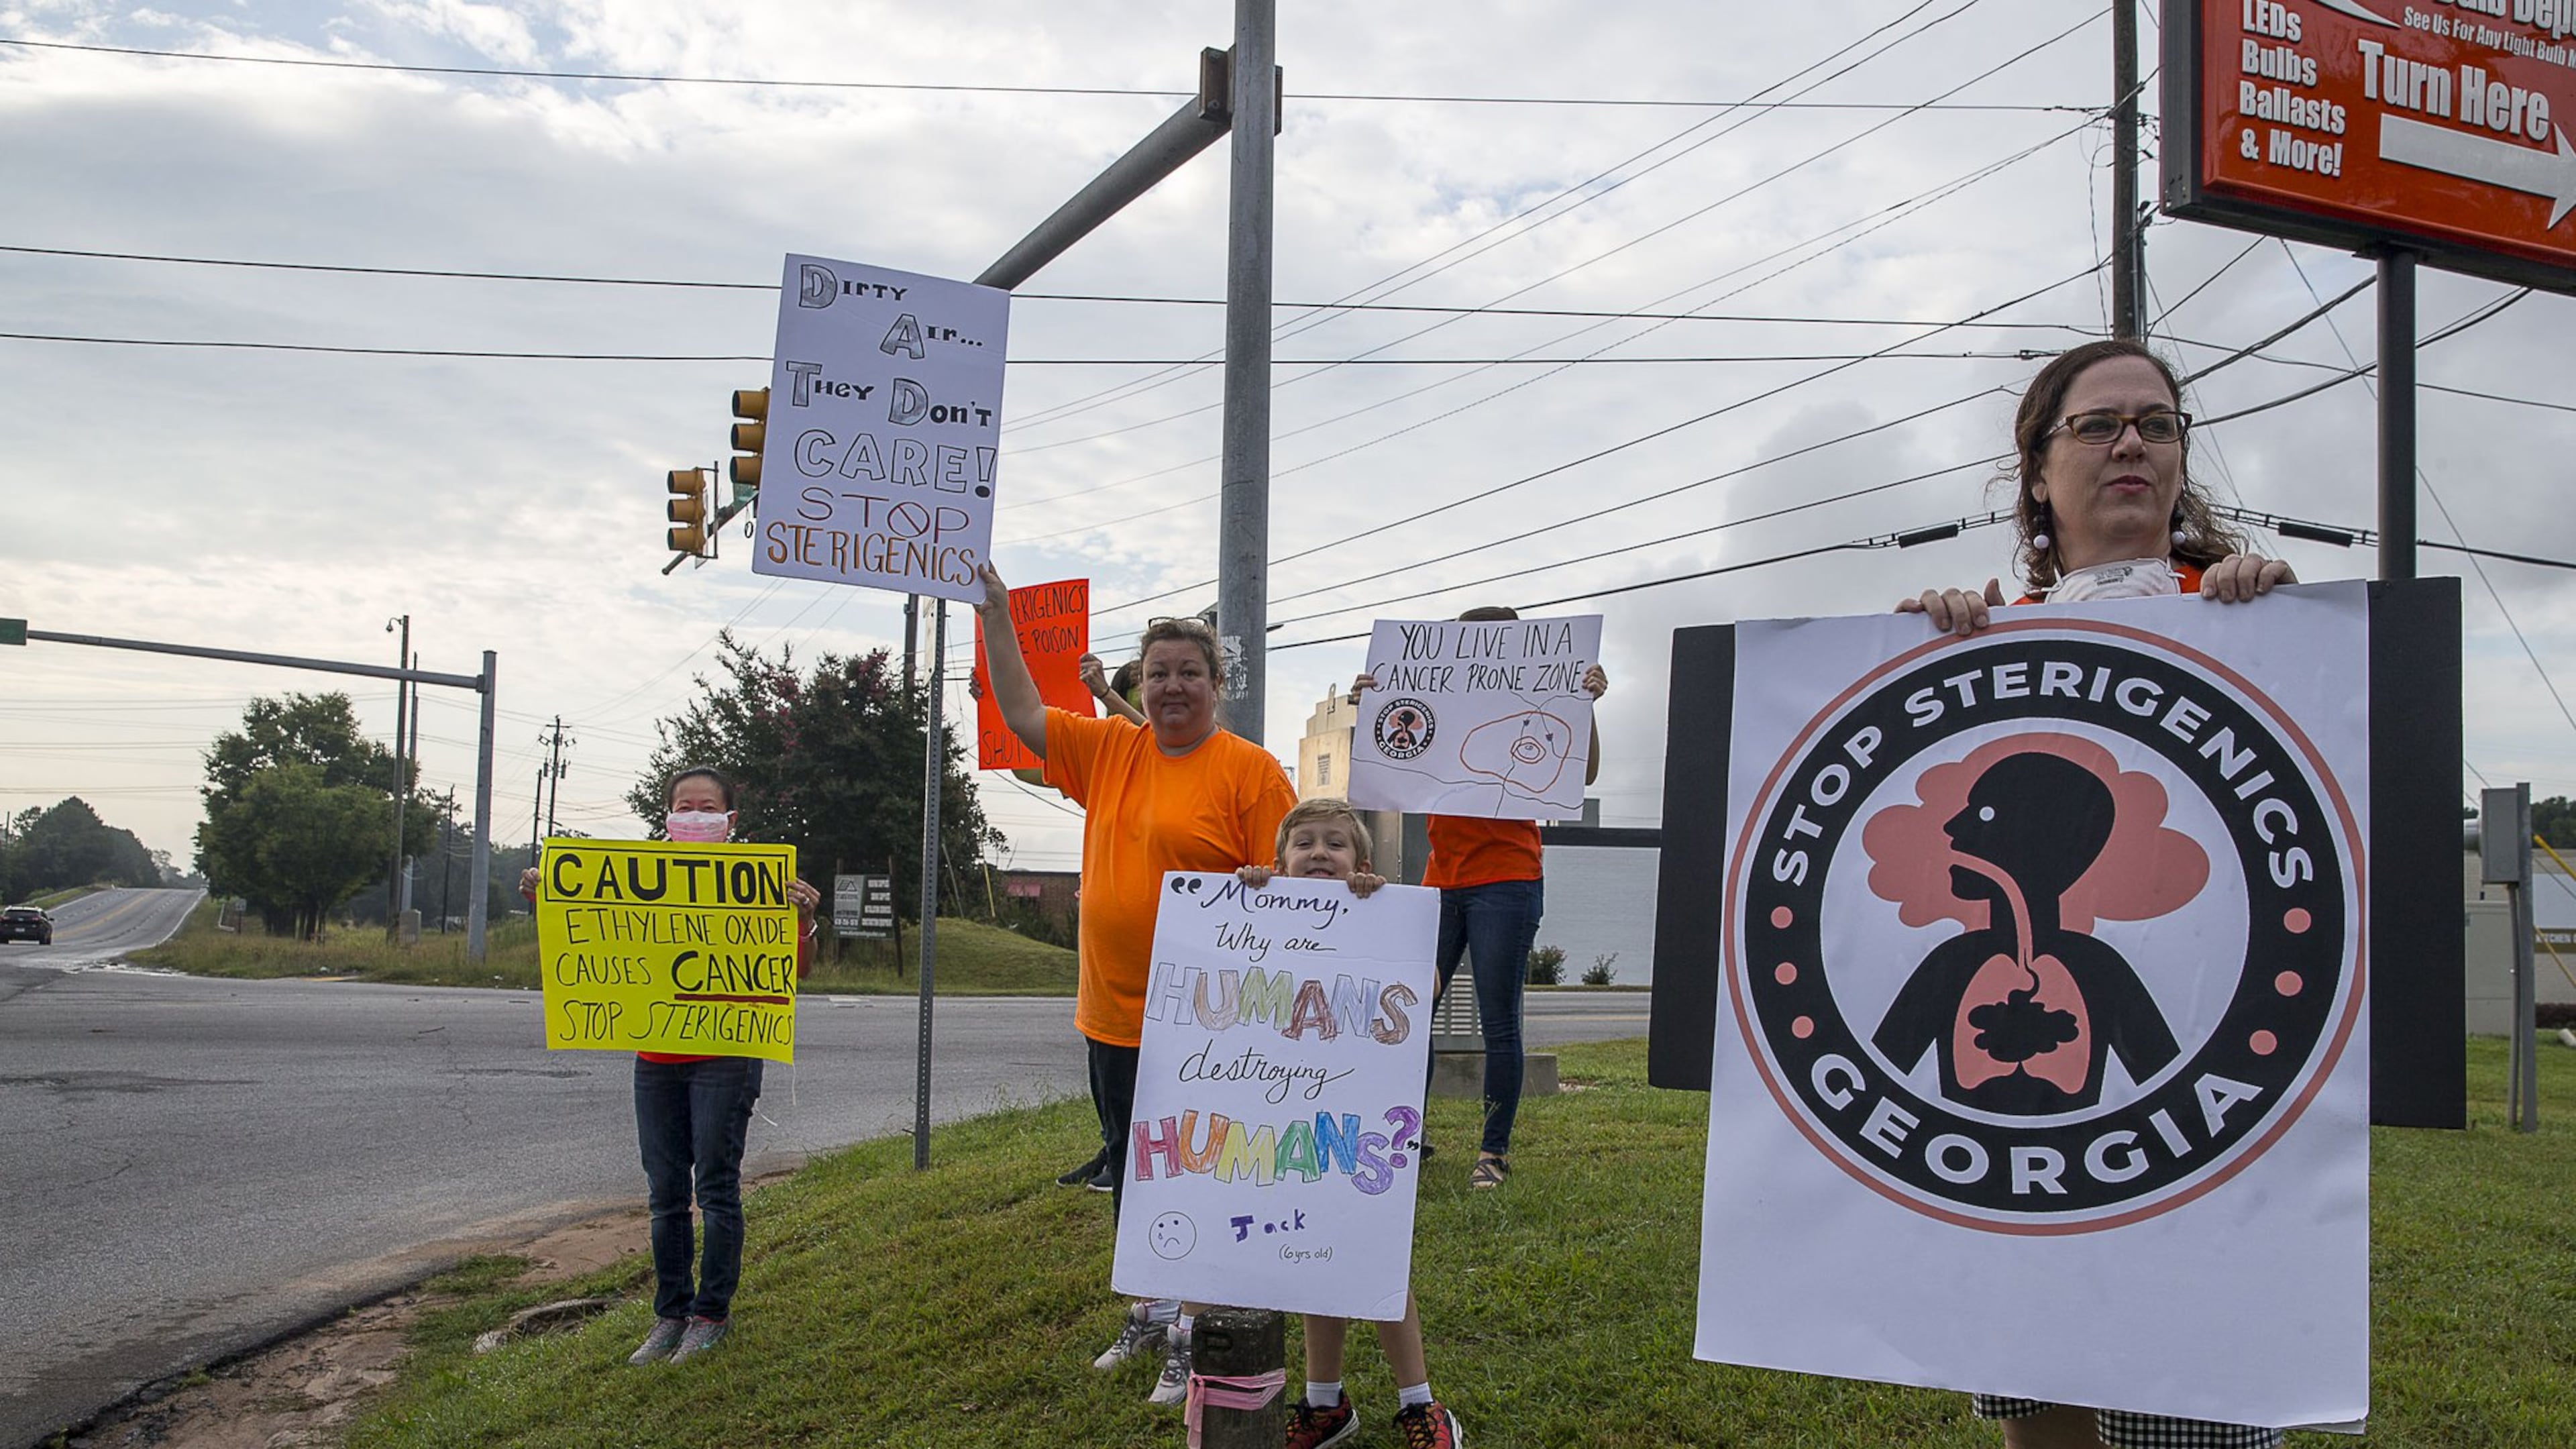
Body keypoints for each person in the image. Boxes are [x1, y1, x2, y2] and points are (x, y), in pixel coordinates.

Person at [1896, 337, 2294, 1449]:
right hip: (2011, 1170)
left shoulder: (2259, 629)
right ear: (2035, 468)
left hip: (2187, 1173)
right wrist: (1910, 654)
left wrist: (2290, 635)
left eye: (2157, 424)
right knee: (2043, 1413)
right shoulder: (1984, 638)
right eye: (2099, 423)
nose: (2132, 443)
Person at [975, 564, 1297, 1406]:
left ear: (1217, 685)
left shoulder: (1252, 772)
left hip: (1209, 1028)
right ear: (1141, 685)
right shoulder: (1109, 749)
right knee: (1131, 1165)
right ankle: (1151, 1310)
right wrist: (997, 617)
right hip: (1113, 1012)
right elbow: (1017, 713)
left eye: (1189, 672)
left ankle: (1193, 1334)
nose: (1171, 686)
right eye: (1157, 673)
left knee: (1193, 1173)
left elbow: (1298, 888)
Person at [519, 765, 820, 1366]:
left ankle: (711, 1314)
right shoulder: (635, 879)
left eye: (708, 807)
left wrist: (803, 920)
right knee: (664, 1195)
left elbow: (798, 971)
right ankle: (670, 1314)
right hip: (655, 1060)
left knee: (715, 1188)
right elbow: (591, 937)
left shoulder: (761, 883)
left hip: (725, 1058)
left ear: (731, 821)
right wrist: (546, 894)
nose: (696, 816)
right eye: (685, 806)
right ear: (668, 816)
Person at [1350, 612, 1609, 1191]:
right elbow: (1390, 756)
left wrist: (1584, 704)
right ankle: (1404, 1138)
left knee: (1498, 1023)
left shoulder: (1539, 704)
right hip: (1441, 879)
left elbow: (1582, 774)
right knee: (1409, 1014)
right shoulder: (1447, 697)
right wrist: (1369, 706)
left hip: (1508, 880)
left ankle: (1493, 1153)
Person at [1234, 798, 1462, 1449]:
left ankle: (1420, 1404)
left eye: (1335, 844)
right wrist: (1247, 897)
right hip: (1288, 1122)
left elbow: (1432, 987)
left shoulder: (1378, 915)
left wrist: (1386, 913)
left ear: (1360, 864)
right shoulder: (1258, 914)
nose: (1318, 854)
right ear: (1279, 863)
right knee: (1312, 1259)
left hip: (1362, 1122)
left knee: (1375, 1258)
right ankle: (1324, 1403)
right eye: (1303, 843)